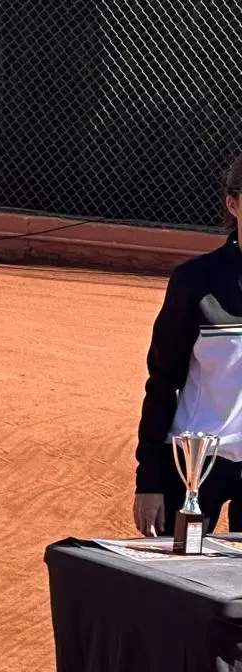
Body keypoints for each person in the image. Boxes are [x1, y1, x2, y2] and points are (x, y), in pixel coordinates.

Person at [133, 152, 242, 537]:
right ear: (233, 203)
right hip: (195, 465)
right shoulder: (195, 280)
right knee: (180, 573)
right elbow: (162, 381)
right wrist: (149, 479)